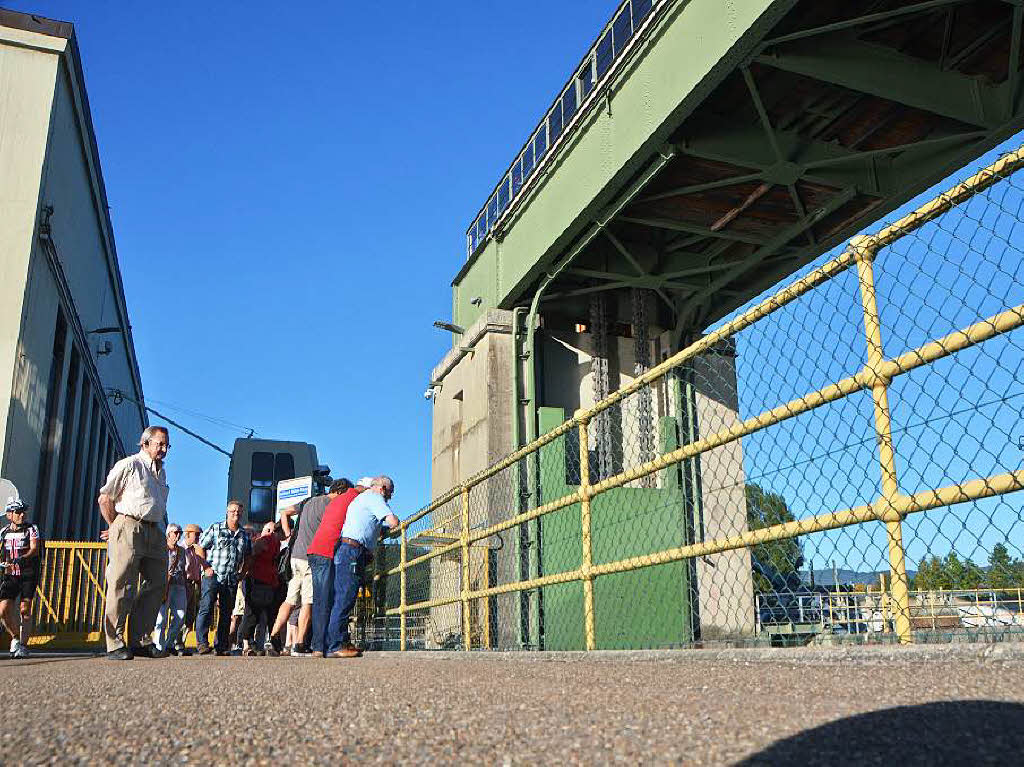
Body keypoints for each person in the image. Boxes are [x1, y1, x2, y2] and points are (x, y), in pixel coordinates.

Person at [97, 425, 171, 660]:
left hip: (154, 530)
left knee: (158, 582)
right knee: (122, 583)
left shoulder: (161, 472)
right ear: (145, 443)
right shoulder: (130, 465)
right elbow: (105, 497)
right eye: (159, 444)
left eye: (166, 445)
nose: (163, 449)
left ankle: (140, 638)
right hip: (128, 524)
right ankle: (114, 642)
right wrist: (114, 526)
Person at [270, 478, 352, 654]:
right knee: (309, 600)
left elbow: (285, 512)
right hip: (311, 555)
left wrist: (288, 534)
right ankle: (300, 642)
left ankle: (274, 632)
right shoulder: (331, 506)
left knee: (290, 599)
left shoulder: (309, 500)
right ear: (340, 492)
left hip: (295, 555)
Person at [326, 476, 399, 658]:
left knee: (344, 597)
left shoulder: (362, 499)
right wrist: (395, 524)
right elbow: (393, 522)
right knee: (344, 598)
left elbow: (366, 524)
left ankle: (340, 641)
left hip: (347, 550)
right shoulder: (375, 498)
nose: (390, 497)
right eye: (390, 492)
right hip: (352, 551)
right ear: (382, 488)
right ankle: (335, 645)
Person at [305, 479, 371, 656]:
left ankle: (319, 646)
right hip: (326, 552)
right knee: (326, 600)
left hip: (316, 550)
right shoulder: (356, 499)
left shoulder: (341, 499)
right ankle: (327, 646)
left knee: (321, 600)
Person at [195, 500, 252, 655]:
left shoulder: (244, 535)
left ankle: (221, 645)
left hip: (231, 578)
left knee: (227, 613)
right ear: (227, 512)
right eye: (233, 511)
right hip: (213, 575)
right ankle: (202, 642)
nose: (236, 514)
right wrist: (206, 567)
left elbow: (248, 556)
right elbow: (200, 547)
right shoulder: (216, 528)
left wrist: (242, 573)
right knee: (206, 607)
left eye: (239, 512)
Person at [0, 500, 40, 658]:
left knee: (25, 610)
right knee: (3, 610)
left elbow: (34, 548)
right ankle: (15, 637)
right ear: (9, 515)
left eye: (23, 511)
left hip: (28, 574)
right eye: (18, 512)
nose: (22, 515)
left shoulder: (32, 529)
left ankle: (23, 645)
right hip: (10, 575)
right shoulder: (4, 532)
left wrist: (22, 559)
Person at [241, 521, 280, 656]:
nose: (271, 533)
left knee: (264, 616)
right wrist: (243, 575)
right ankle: (246, 644)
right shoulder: (260, 542)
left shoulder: (275, 543)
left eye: (273, 531)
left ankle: (259, 644)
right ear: (262, 531)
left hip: (269, 582)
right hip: (256, 581)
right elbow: (250, 559)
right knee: (251, 613)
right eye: (268, 530)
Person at [152, 524, 187, 655]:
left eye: (180, 533)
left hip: (179, 585)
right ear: (168, 534)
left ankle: (169, 643)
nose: (178, 535)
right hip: (163, 584)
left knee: (180, 616)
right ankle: (158, 646)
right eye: (176, 532)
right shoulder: (161, 548)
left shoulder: (182, 551)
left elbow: (183, 569)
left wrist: (187, 587)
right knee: (161, 617)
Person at [176, 524, 205, 652]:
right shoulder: (180, 549)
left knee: (190, 616)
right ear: (187, 534)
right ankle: (175, 642)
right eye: (196, 534)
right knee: (179, 615)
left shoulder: (195, 550)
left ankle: (182, 642)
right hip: (182, 585)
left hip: (193, 586)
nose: (198, 537)